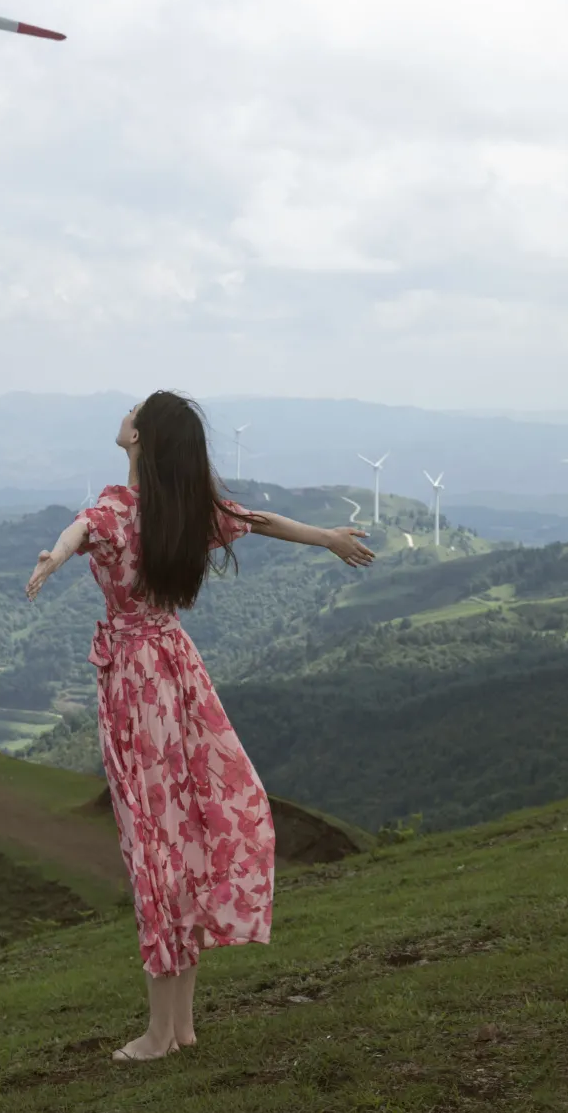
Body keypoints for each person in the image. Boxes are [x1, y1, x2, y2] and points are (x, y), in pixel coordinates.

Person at [25, 390, 375, 1062]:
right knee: (182, 836)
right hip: (179, 670)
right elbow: (262, 520)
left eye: (133, 414)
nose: (123, 418)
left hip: (136, 682)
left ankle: (160, 1035)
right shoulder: (186, 513)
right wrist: (327, 538)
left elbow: (80, 531)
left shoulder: (115, 511)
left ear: (139, 440)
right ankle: (181, 1025)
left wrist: (55, 555)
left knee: (153, 845)